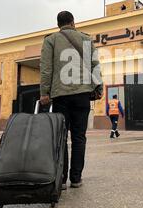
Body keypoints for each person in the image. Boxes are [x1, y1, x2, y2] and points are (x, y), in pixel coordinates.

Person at [40, 11, 103, 190]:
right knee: (78, 137)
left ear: (58, 24)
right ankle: (76, 178)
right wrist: (98, 87)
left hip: (60, 95)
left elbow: (46, 68)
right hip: (82, 94)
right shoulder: (86, 39)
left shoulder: (50, 40)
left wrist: (44, 92)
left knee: (60, 138)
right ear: (73, 22)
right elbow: (95, 65)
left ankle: (61, 179)